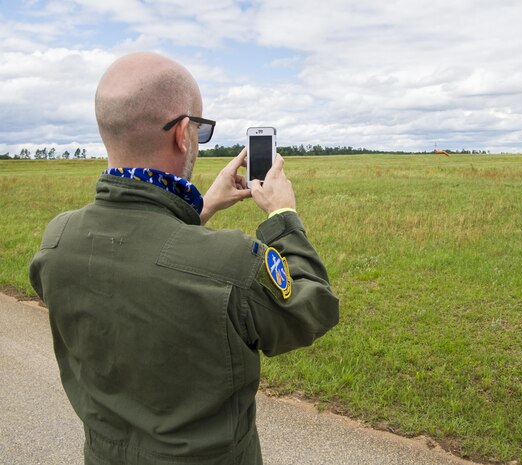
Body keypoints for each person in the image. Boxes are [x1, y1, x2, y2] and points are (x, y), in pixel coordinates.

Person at [29, 52, 339, 465]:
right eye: (200, 127)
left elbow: (144, 254)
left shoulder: (56, 241)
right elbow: (312, 308)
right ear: (181, 134)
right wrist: (283, 216)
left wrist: (202, 206)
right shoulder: (230, 263)